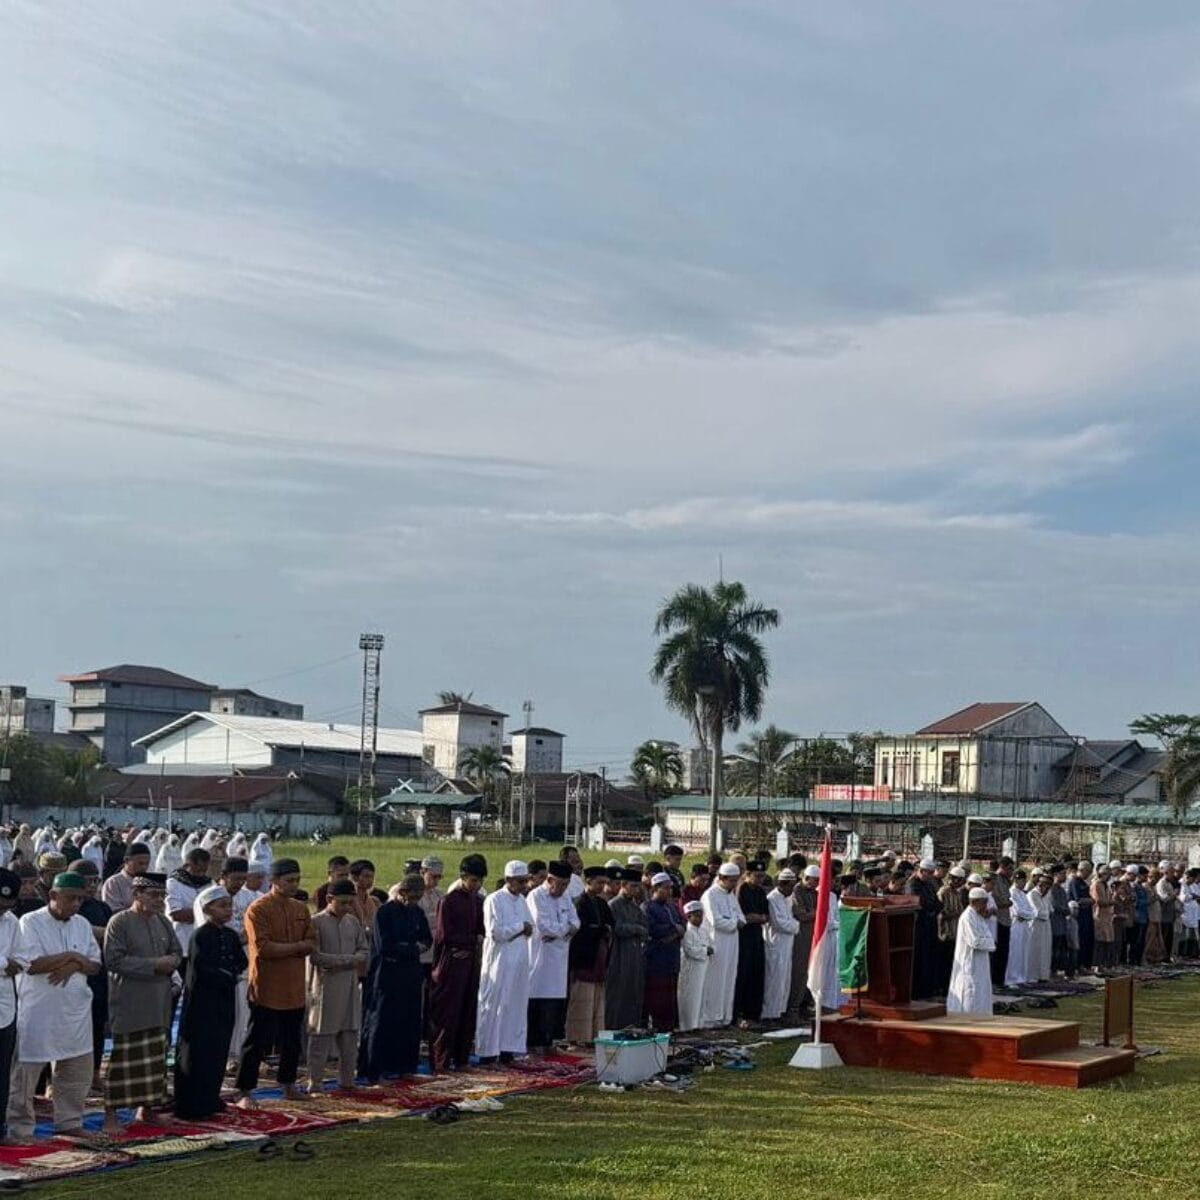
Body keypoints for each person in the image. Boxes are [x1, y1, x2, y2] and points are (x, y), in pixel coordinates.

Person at [6, 873, 102, 1141]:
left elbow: (94, 964)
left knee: (75, 1070)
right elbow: (32, 964)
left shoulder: (82, 924)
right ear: (52, 896)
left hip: (76, 1010)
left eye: (80, 899)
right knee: (25, 1076)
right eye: (71, 898)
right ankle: (20, 1129)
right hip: (39, 1011)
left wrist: (72, 964)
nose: (76, 904)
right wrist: (73, 956)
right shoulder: (31, 922)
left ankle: (70, 1122)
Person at [102, 872, 182, 1133]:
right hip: (130, 1001)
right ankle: (111, 1116)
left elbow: (177, 951)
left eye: (162, 895)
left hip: (159, 1002)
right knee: (124, 1060)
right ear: (136, 895)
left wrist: (172, 962)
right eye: (153, 895)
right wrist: (154, 965)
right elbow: (114, 960)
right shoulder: (119, 922)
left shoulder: (162, 921)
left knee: (156, 1061)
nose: (159, 900)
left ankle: (146, 1110)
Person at [235, 858, 315, 1106]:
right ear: (274, 881)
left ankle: (288, 1084)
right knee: (257, 1041)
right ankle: (245, 1090)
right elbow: (263, 947)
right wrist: (297, 947)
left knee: (291, 1040)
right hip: (267, 986)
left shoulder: (300, 909)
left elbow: (311, 942)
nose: (294, 885)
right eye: (289, 880)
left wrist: (294, 948)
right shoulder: (258, 909)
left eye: (297, 880)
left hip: (294, 986)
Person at [174, 884, 247, 1118]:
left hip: (224, 999)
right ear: (207, 909)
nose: (228, 911)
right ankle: (192, 1104)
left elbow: (241, 961)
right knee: (198, 1052)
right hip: (202, 1003)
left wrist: (231, 973)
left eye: (229, 906)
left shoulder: (229, 935)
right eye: (222, 906)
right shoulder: (200, 936)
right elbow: (200, 970)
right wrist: (225, 975)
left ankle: (211, 1098)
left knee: (218, 1049)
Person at [307, 880, 369, 1092]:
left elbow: (364, 950)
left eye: (350, 903)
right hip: (326, 988)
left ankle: (347, 1081)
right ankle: (314, 1083)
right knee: (321, 1036)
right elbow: (316, 957)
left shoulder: (352, 922)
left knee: (350, 1035)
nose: (347, 907)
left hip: (350, 984)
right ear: (329, 900)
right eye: (343, 903)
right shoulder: (316, 922)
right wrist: (347, 960)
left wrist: (347, 960)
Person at [429, 854, 487, 1073]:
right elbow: (445, 935)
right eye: (473, 880)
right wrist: (471, 940)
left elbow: (483, 929)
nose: (476, 885)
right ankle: (441, 1062)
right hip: (451, 962)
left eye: (479, 881)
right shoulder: (449, 901)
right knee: (447, 1013)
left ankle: (461, 1059)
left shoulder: (479, 901)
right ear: (463, 877)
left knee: (467, 1010)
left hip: (471, 962)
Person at [476, 861, 534, 1064]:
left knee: (514, 1006)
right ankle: (488, 1054)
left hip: (519, 960)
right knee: (493, 1005)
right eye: (520, 881)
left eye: (526, 881)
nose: (524, 885)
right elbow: (496, 932)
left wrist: (523, 928)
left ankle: (508, 1050)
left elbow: (531, 927)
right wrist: (520, 926)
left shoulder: (522, 901)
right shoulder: (494, 900)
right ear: (509, 879)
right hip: (499, 962)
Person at [526, 860, 580, 1054]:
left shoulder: (565, 897)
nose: (563, 888)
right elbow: (542, 925)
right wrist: (565, 930)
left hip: (559, 959)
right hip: (540, 958)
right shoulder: (536, 896)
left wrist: (562, 930)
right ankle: (533, 1044)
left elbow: (576, 921)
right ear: (549, 879)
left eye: (566, 884)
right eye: (560, 884)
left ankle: (549, 1042)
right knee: (537, 1003)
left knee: (555, 1004)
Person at [565, 866, 613, 1044]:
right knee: (582, 1000)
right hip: (584, 959)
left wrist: (604, 930)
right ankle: (577, 1038)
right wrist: (600, 930)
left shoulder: (601, 904)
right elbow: (581, 930)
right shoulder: (579, 903)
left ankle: (593, 1036)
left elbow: (610, 925)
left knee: (597, 1000)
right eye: (599, 882)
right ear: (588, 882)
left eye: (604, 883)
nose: (602, 886)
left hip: (599, 957)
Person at [700, 863, 745, 1028]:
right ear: (721, 878)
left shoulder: (730, 895)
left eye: (736, 881)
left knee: (729, 977)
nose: (734, 884)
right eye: (732, 881)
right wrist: (734, 923)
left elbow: (741, 917)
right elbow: (716, 921)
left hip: (732, 942)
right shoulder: (710, 895)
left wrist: (736, 922)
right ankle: (710, 1018)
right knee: (715, 979)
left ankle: (725, 1017)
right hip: (717, 941)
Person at [605, 868, 648, 1029]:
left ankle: (631, 1026)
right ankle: (614, 1027)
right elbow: (618, 928)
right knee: (618, 993)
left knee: (633, 991)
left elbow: (645, 927)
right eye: (634, 886)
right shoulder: (614, 905)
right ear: (624, 884)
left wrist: (638, 929)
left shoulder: (635, 906)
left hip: (635, 954)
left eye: (639, 887)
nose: (637, 890)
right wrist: (635, 929)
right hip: (619, 954)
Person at [643, 872, 684, 1031]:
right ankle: (658, 1027)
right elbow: (653, 929)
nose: (669, 892)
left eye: (670, 888)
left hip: (671, 957)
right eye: (666, 888)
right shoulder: (648, 907)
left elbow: (682, 922)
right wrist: (673, 929)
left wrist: (677, 930)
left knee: (670, 996)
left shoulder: (671, 907)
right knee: (658, 997)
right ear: (655, 888)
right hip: (657, 958)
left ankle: (669, 1026)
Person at [947, 887, 996, 1015]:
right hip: (970, 961)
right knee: (970, 991)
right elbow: (975, 941)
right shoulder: (967, 917)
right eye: (984, 902)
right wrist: (991, 944)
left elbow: (987, 935)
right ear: (975, 902)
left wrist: (989, 941)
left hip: (981, 961)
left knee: (981, 990)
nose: (986, 906)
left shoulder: (978, 916)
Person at [733, 861, 769, 1025]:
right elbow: (745, 916)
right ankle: (740, 1012)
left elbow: (765, 916)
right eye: (757, 876)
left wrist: (757, 917)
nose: (760, 879)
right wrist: (756, 917)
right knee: (744, 972)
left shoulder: (760, 891)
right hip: (743, 936)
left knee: (757, 971)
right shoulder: (742, 889)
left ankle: (753, 1013)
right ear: (748, 875)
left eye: (762, 876)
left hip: (756, 935)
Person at [0, 869, 22, 1141]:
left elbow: (24, 959)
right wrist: (5, 964)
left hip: (5, 1007)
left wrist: (9, 965)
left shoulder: (12, 922)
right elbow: (12, 962)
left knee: (2, 1072)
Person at [761, 868, 799, 1022]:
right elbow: (779, 923)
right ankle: (769, 1014)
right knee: (773, 979)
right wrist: (795, 926)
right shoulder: (772, 898)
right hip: (775, 944)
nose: (792, 889)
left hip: (787, 944)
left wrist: (793, 924)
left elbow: (789, 919)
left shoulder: (787, 899)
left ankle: (780, 1012)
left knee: (784, 979)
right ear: (783, 884)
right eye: (791, 886)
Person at [905, 858, 944, 999]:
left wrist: (933, 909)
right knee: (919, 959)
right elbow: (919, 903)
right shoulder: (912, 884)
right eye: (929, 873)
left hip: (930, 924)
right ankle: (917, 992)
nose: (931, 876)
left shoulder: (928, 884)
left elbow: (938, 903)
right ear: (922, 871)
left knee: (929, 958)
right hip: (919, 926)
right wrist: (930, 908)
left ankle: (927, 990)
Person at [166, 847, 212, 965]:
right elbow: (177, 914)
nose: (201, 874)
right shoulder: (174, 883)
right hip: (182, 944)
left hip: (205, 945)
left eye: (204, 871)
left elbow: (217, 913)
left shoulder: (209, 883)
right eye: (198, 871)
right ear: (188, 865)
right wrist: (206, 912)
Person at [786, 864, 819, 1019]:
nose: (816, 884)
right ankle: (792, 1007)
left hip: (812, 936)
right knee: (798, 972)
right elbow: (801, 915)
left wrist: (813, 913)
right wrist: (815, 913)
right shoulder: (796, 891)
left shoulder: (815, 893)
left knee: (810, 972)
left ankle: (804, 1005)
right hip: (801, 937)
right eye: (814, 881)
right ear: (806, 878)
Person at [677, 900, 713, 1032]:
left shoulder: (703, 931)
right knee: (689, 997)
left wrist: (710, 949)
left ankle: (698, 1023)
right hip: (691, 969)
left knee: (701, 996)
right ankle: (687, 1026)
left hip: (703, 968)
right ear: (688, 917)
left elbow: (711, 944)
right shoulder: (687, 931)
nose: (699, 918)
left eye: (701, 915)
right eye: (696, 916)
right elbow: (690, 950)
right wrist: (705, 951)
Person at [1005, 870, 1035, 987]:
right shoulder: (1011, 893)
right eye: (1020, 880)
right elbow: (1017, 911)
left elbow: (1032, 911)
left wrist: (1027, 915)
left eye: (1023, 880)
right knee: (1014, 952)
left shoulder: (1023, 894)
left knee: (1023, 952)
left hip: (1025, 925)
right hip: (1015, 925)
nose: (1022, 883)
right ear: (1015, 880)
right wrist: (1026, 915)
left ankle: (1021, 978)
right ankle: (1011, 979)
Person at [990, 858, 1014, 986]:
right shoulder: (995, 879)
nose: (1012, 872)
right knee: (997, 953)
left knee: (1004, 952)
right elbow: (995, 901)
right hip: (996, 920)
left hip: (1005, 919)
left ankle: (1000, 981)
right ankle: (994, 982)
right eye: (1010, 868)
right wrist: (1007, 903)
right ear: (1002, 867)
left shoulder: (1006, 881)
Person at [1069, 861, 1095, 972]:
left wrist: (1090, 900)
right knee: (1079, 940)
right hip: (1079, 915)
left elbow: (1091, 899)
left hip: (1087, 915)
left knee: (1087, 940)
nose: (1088, 875)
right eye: (1088, 872)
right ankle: (1077, 965)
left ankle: (1085, 965)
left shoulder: (1084, 883)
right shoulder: (1074, 882)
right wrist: (1089, 900)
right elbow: (1078, 899)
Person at [1091, 864, 1116, 971]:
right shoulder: (1096, 884)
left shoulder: (1107, 885)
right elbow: (1099, 901)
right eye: (1108, 874)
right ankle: (1097, 965)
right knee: (1099, 942)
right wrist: (1112, 902)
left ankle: (1104, 964)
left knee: (1108, 941)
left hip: (1107, 917)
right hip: (1099, 916)